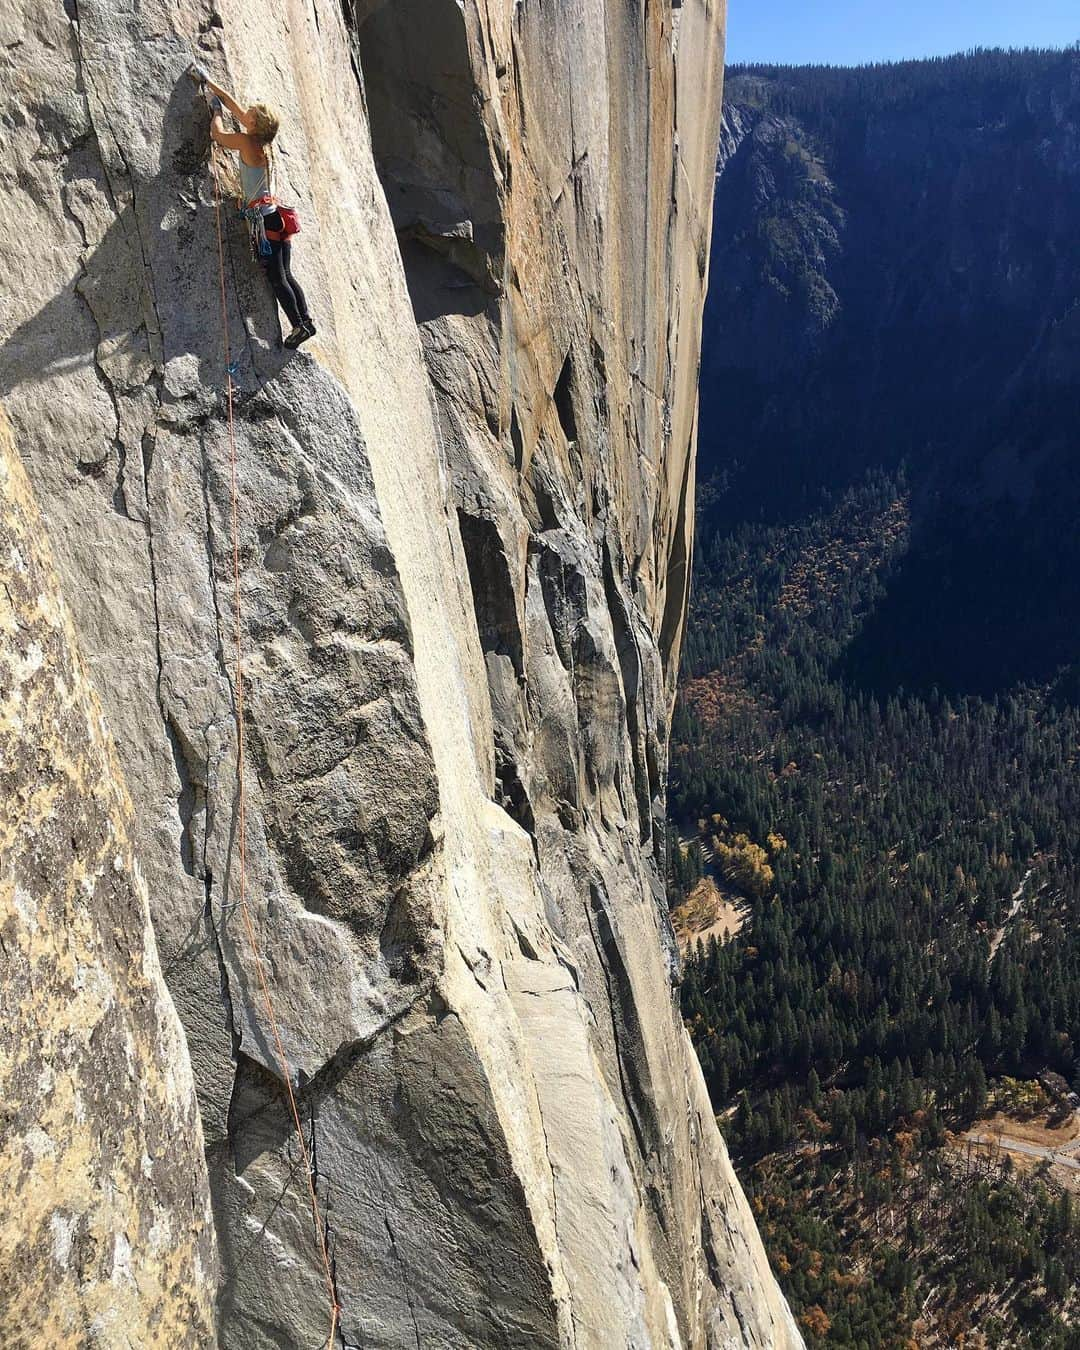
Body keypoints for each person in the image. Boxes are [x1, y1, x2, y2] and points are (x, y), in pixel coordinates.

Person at [190, 65, 315, 349]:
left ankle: (298, 326)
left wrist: (216, 113)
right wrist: (210, 83)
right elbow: (238, 109)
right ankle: (305, 321)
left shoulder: (246, 141)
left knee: (277, 278)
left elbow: (219, 136)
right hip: (275, 218)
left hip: (263, 223)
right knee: (288, 274)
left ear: (254, 126)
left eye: (251, 115)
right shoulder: (261, 143)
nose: (245, 113)